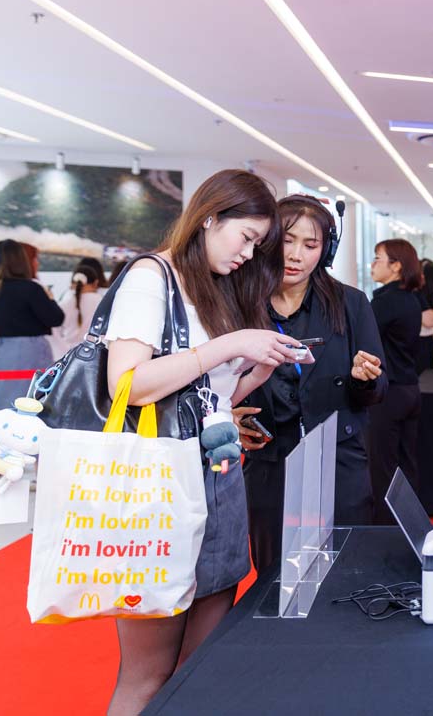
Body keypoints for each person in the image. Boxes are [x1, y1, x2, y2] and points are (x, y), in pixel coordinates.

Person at [103, 169, 301, 715]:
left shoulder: (212, 287)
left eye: (257, 246)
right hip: (157, 493)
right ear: (210, 217)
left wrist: (256, 372)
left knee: (202, 667)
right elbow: (128, 385)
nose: (247, 254)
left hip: (219, 481)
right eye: (246, 237)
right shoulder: (150, 278)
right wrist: (231, 344)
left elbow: (204, 399)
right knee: (147, 674)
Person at [234, 195, 388, 575]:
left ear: (325, 251)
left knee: (347, 570)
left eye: (310, 244)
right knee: (274, 574)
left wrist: (365, 379)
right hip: (270, 460)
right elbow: (217, 380)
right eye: (287, 241)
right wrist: (230, 415)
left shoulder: (350, 303)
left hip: (338, 459)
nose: (296, 255)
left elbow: (379, 389)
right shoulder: (240, 303)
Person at [366, 239, 427, 523]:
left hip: (389, 394)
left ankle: (385, 531)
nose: (372, 264)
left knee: (383, 468)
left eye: (378, 258)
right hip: (410, 389)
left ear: (396, 266)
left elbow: (363, 339)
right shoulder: (411, 299)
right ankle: (409, 526)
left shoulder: (385, 302)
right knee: (407, 466)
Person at [0, 240, 63, 413]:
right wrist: (50, 298)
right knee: (33, 400)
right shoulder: (31, 288)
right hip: (29, 350)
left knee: (1, 402)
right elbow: (56, 318)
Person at [49, 256, 109, 359]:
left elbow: (54, 331)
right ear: (96, 282)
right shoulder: (102, 301)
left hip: (67, 355)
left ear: (73, 282)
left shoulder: (65, 302)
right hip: (95, 355)